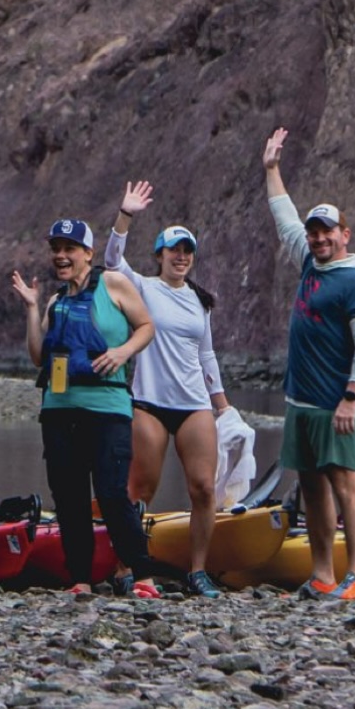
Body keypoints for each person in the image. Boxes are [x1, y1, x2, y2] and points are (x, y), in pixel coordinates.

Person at [263, 127, 355, 602]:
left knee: (346, 485)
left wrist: (352, 397)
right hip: (302, 401)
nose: (317, 238)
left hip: (339, 404)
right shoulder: (310, 262)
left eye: (327, 232)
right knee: (311, 488)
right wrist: (271, 169)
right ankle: (321, 574)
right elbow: (284, 217)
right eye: (314, 233)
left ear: (344, 235)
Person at [11, 217, 157, 597]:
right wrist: (31, 308)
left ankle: (142, 574)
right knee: (70, 496)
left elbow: (146, 327)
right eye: (56, 249)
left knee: (110, 492)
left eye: (70, 249)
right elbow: (39, 356)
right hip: (60, 408)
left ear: (88, 253)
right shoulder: (57, 300)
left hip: (108, 406)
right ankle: (80, 578)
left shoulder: (113, 284)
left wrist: (121, 351)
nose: (61, 256)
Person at [103, 180, 231, 598]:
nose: (181, 257)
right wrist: (125, 215)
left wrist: (222, 404)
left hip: (194, 403)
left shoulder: (200, 301)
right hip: (150, 402)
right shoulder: (142, 286)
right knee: (140, 488)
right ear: (159, 254)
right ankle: (127, 567)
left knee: (204, 487)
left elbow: (207, 355)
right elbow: (110, 260)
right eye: (174, 250)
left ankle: (198, 572)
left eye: (187, 251)